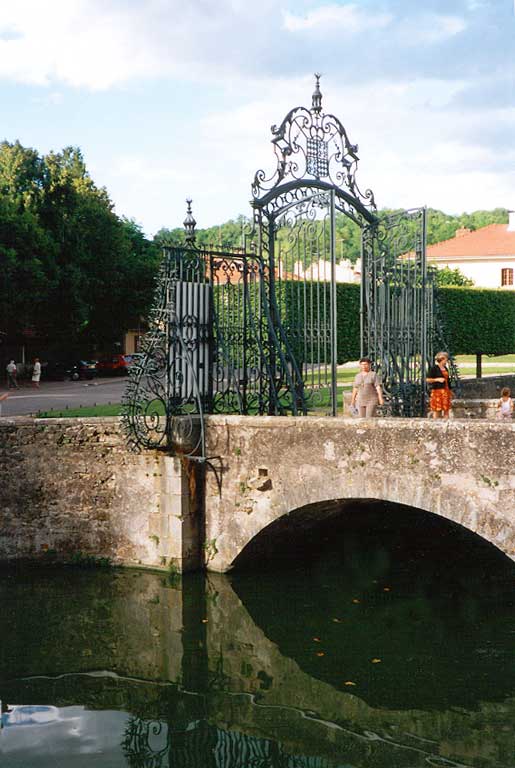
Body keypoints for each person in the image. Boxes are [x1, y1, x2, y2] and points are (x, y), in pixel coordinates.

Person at [426, 351, 452, 419]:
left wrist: (450, 390)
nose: (446, 361)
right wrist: (437, 379)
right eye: (446, 359)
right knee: (437, 409)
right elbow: (428, 379)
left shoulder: (445, 368)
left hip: (446, 391)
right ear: (442, 359)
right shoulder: (434, 368)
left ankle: (446, 423)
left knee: (446, 409)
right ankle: (436, 424)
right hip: (437, 391)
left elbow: (448, 380)